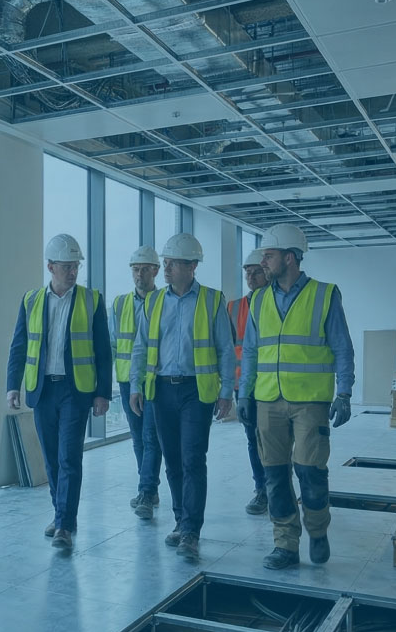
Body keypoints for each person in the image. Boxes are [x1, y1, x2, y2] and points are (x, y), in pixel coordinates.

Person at [236, 224, 355, 570]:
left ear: (290, 258)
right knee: (274, 476)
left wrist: (344, 392)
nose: (263, 263)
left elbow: (342, 348)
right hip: (267, 401)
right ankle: (285, 544)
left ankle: (317, 532)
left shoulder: (325, 294)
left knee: (310, 472)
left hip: (310, 402)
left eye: (268, 256)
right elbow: (252, 352)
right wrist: (245, 393)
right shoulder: (258, 300)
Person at [129, 233, 235, 562]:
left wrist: (226, 391)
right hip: (160, 389)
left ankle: (191, 530)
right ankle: (179, 520)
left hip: (195, 390)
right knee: (172, 461)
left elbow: (225, 349)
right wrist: (136, 385)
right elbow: (140, 346)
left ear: (192, 266)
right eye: (166, 263)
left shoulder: (213, 301)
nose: (166, 269)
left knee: (192, 459)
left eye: (173, 264)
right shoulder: (154, 301)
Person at [6, 234, 111, 551]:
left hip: (75, 389)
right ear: (50, 267)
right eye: (66, 266)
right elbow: (19, 346)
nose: (72, 272)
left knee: (69, 458)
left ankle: (64, 524)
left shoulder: (92, 300)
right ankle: (61, 514)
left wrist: (103, 393)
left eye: (76, 266)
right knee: (51, 460)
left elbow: (103, 351)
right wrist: (13, 386)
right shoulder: (31, 300)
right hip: (42, 391)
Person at [111, 246, 162, 520]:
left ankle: (146, 490)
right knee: (138, 438)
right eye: (135, 269)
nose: (139, 274)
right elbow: (111, 344)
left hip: (154, 379)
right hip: (126, 381)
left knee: (151, 437)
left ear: (156, 271)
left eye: (144, 269)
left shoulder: (164, 301)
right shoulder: (119, 305)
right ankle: (149, 488)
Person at [230, 248, 269, 516]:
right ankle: (263, 490)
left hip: (273, 384)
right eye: (248, 273)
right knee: (253, 440)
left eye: (256, 272)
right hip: (244, 386)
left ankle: (277, 487)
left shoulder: (276, 303)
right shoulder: (233, 307)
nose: (251, 277)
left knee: (275, 440)